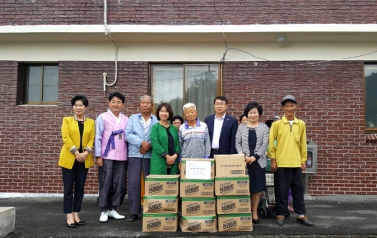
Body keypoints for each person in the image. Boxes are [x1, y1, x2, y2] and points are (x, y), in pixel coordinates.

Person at [267, 95, 314, 226]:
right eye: (286, 106)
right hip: (281, 162)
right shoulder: (277, 124)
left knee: (298, 189)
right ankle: (281, 214)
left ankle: (301, 215)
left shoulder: (301, 124)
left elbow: (303, 144)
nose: (289, 108)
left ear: (296, 107)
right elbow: (272, 143)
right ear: (283, 108)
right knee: (281, 189)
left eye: (292, 105)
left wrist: (303, 160)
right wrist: (273, 160)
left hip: (296, 162)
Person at [59, 95, 94, 228]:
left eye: (81, 105)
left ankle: (76, 213)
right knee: (68, 188)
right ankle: (69, 214)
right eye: (76, 105)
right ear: (72, 107)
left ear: (85, 107)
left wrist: (85, 153)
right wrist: (77, 153)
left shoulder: (91, 122)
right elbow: (66, 137)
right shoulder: (67, 120)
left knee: (79, 188)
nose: (78, 108)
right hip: (69, 158)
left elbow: (92, 138)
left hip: (84, 159)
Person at [95, 92, 129, 223]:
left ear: (123, 105)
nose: (116, 104)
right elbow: (98, 137)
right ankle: (104, 209)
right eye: (113, 101)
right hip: (107, 155)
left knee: (119, 183)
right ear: (109, 103)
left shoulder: (126, 119)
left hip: (122, 155)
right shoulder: (102, 117)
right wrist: (98, 156)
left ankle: (113, 208)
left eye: (119, 102)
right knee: (106, 182)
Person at [235, 101, 269, 224]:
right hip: (244, 161)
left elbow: (264, 144)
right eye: (250, 113)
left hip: (258, 162)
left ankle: (254, 212)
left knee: (256, 188)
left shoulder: (264, 127)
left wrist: (254, 156)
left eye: (255, 112)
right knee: (244, 187)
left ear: (259, 114)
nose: (253, 115)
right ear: (246, 114)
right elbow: (237, 143)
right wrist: (243, 156)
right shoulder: (241, 127)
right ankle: (245, 211)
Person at [125, 95, 158, 222]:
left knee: (151, 184)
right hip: (134, 154)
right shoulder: (133, 118)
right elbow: (127, 134)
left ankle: (150, 209)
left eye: (147, 103)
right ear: (139, 105)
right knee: (133, 183)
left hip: (150, 156)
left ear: (151, 105)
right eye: (143, 103)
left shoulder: (156, 119)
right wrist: (141, 143)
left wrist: (148, 145)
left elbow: (157, 135)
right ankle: (134, 212)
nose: (145, 105)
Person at [266, 116, 294, 213]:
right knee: (271, 187)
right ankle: (273, 204)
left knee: (286, 186)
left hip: (284, 164)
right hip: (270, 166)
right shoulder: (268, 137)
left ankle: (285, 204)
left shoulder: (286, 136)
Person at [150, 103, 180, 175]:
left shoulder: (174, 128)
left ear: (169, 113)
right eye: (161, 111)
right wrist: (167, 156)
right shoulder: (155, 127)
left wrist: (174, 156)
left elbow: (177, 143)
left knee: (172, 184)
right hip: (159, 161)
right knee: (159, 184)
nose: (164, 113)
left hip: (173, 161)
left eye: (166, 111)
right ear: (158, 113)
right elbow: (155, 143)